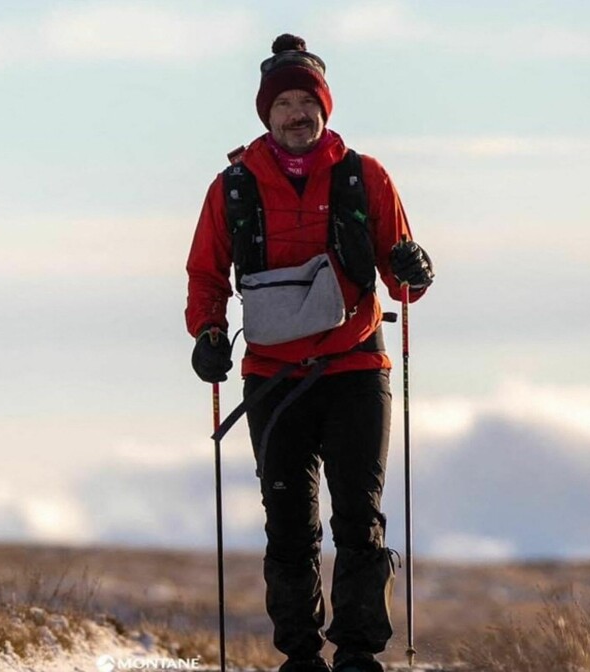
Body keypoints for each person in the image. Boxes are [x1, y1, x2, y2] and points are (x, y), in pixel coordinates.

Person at [185, 34, 434, 672]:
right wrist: (208, 334)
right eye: (284, 103)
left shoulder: (365, 176)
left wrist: (415, 268)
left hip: (357, 369)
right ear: (267, 114)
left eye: (307, 102)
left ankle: (357, 654)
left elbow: (402, 280)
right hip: (273, 378)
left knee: (359, 518)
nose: (297, 114)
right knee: (290, 524)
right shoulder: (232, 188)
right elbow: (206, 274)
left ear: (324, 108)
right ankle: (299, 657)